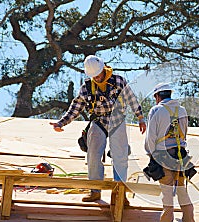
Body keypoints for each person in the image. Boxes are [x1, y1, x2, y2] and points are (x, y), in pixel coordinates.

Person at [50, 55, 146, 202]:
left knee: (120, 156)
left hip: (117, 121)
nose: (97, 79)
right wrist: (61, 123)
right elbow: (75, 107)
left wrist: (140, 117)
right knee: (93, 156)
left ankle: (119, 193)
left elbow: (131, 98)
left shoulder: (118, 81)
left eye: (99, 75)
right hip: (98, 121)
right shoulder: (87, 88)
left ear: (104, 69)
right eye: (94, 76)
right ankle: (95, 190)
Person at [144, 82, 195, 222]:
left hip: (163, 155)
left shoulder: (157, 110)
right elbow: (184, 132)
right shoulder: (182, 110)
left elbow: (151, 136)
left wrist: (151, 154)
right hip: (180, 155)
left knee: (166, 190)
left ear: (157, 96)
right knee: (181, 189)